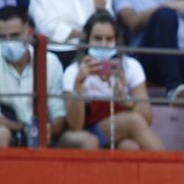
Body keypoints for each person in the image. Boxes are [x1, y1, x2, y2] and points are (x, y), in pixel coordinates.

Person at [57, 10, 164, 150]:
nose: (103, 44)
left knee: (130, 147)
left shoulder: (130, 66)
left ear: (116, 41)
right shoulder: (74, 71)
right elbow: (75, 126)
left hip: (117, 131)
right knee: (132, 121)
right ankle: (174, 170)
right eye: (97, 38)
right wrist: (79, 84)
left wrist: (125, 100)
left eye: (109, 39)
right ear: (87, 40)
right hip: (86, 132)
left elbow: (147, 118)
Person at [0, 5, 66, 146]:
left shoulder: (50, 61)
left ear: (29, 32)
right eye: (2, 37)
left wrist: (48, 129)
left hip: (46, 134)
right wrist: (25, 129)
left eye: (15, 36)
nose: (8, 42)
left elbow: (58, 113)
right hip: (7, 132)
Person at [29, 0, 112, 56]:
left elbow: (105, 20)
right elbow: (49, 27)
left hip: (95, 51)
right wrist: (87, 36)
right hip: (59, 51)